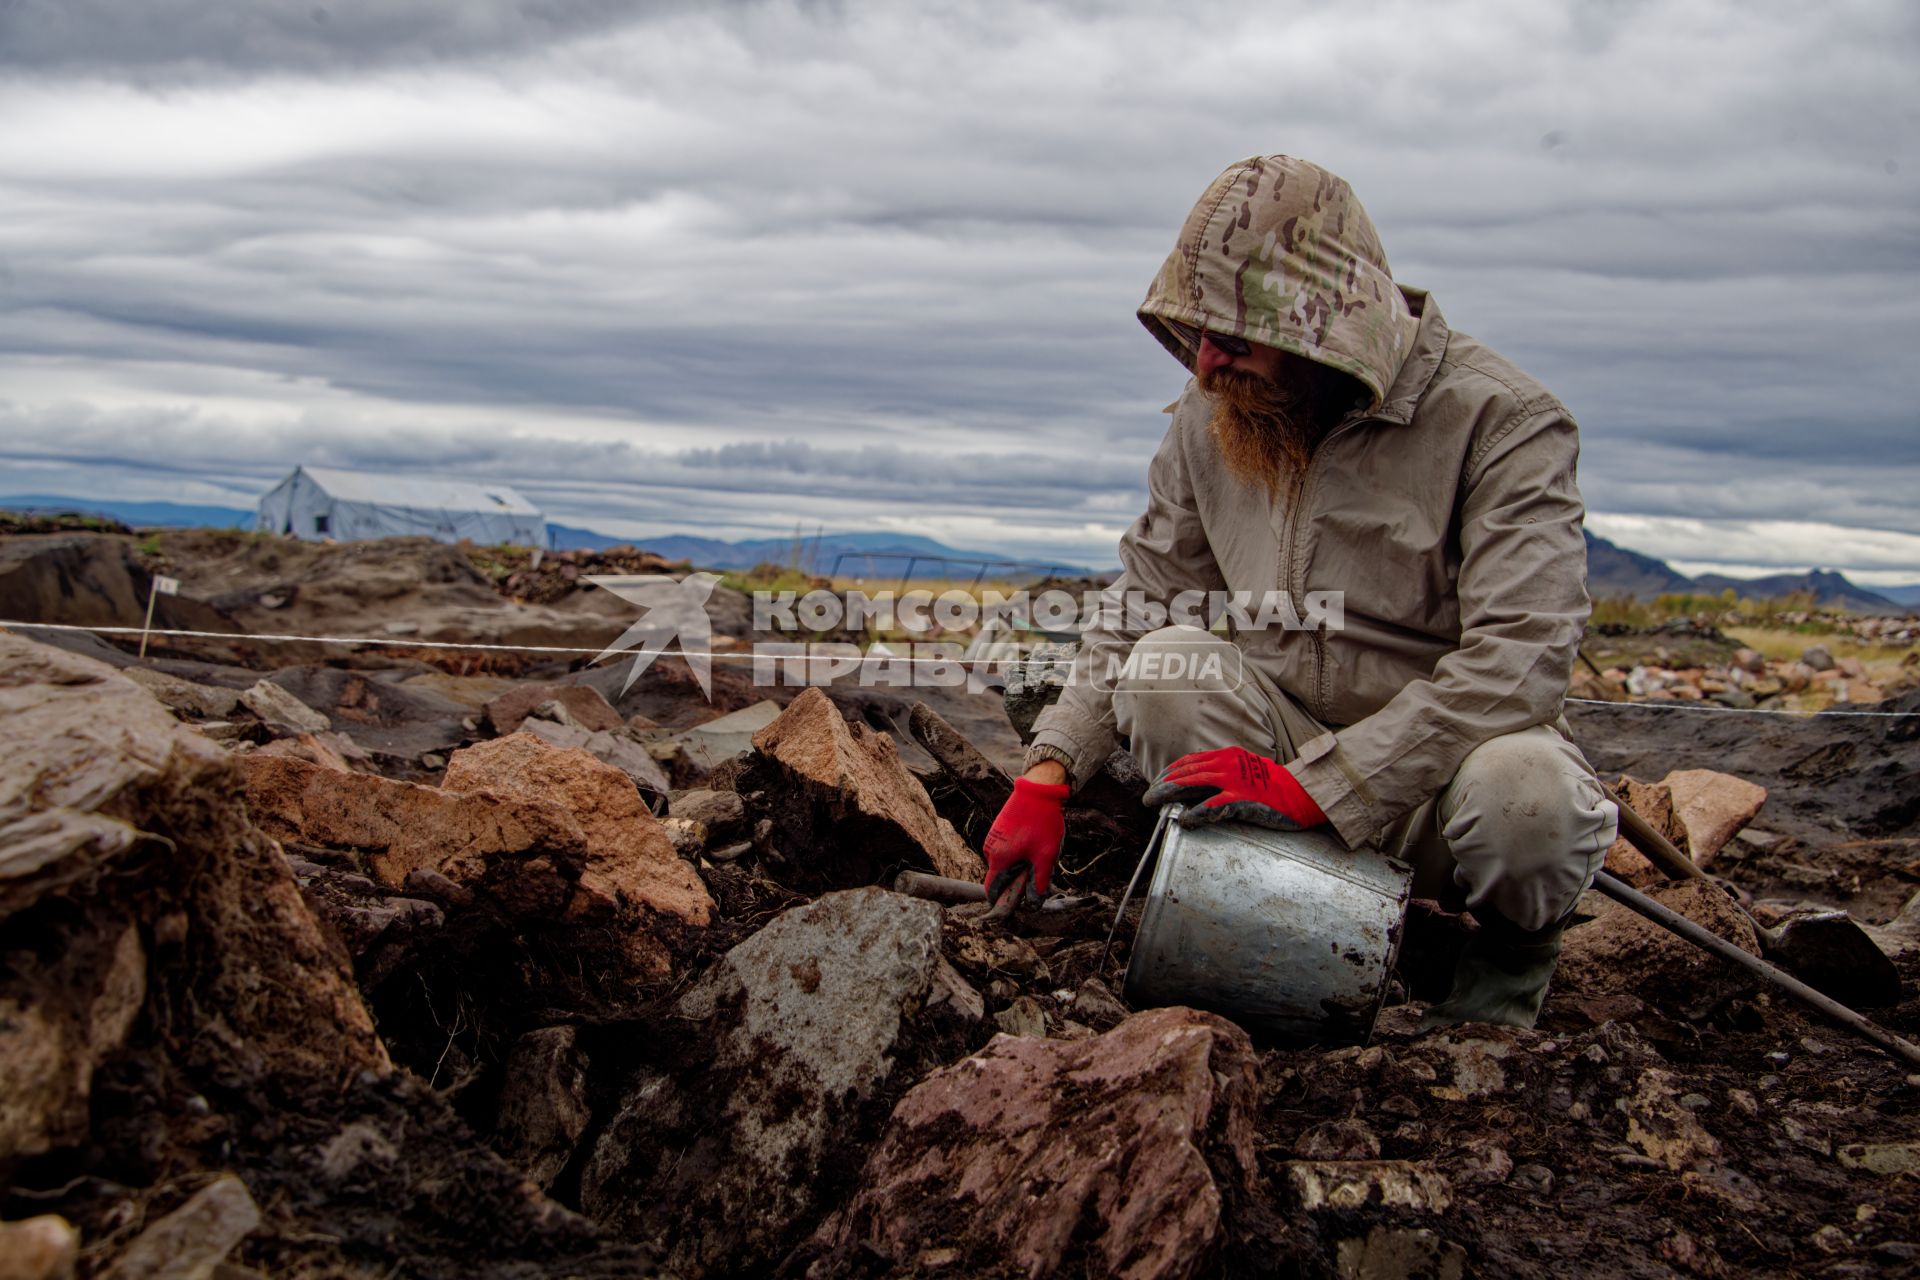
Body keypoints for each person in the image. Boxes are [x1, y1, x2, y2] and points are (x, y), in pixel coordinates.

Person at [982, 154, 1619, 1029]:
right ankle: (1259, 929)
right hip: (1264, 767)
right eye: (1195, 335)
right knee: (1167, 667)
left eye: (1232, 339)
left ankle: (1492, 986)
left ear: (1325, 329)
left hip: (1438, 780)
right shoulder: (1219, 417)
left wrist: (1328, 785)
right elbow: (1148, 601)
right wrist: (1049, 775)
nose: (1205, 368)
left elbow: (1520, 663)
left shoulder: (1499, 422)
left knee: (1531, 800)